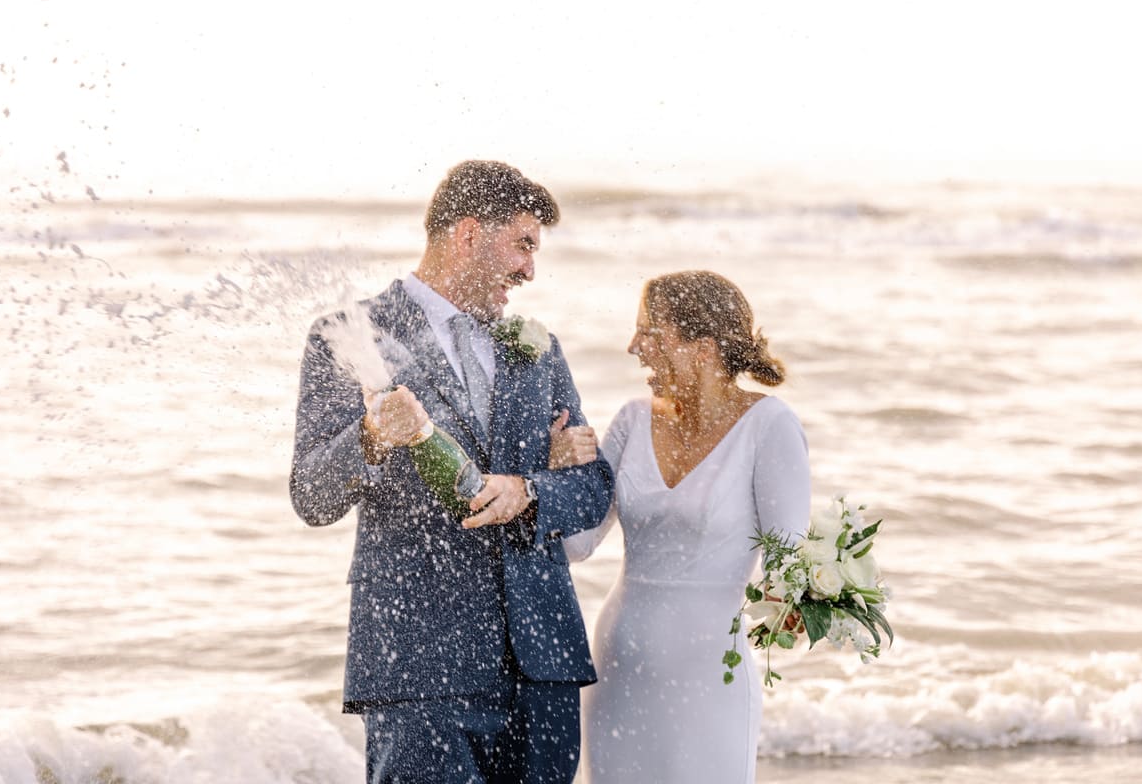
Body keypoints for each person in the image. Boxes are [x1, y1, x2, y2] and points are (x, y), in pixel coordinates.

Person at [289, 160, 614, 783]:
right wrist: (373, 436)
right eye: (522, 245)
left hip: (543, 661)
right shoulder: (350, 335)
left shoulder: (537, 347)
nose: (529, 270)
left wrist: (530, 490)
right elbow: (312, 495)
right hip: (419, 662)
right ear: (467, 235)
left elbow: (594, 489)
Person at [564, 270, 811, 783]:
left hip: (710, 672)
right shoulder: (631, 420)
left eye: (649, 332)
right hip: (617, 664)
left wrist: (801, 610)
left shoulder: (770, 427)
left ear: (702, 348)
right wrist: (557, 469)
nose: (634, 346)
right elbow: (577, 543)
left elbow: (790, 568)